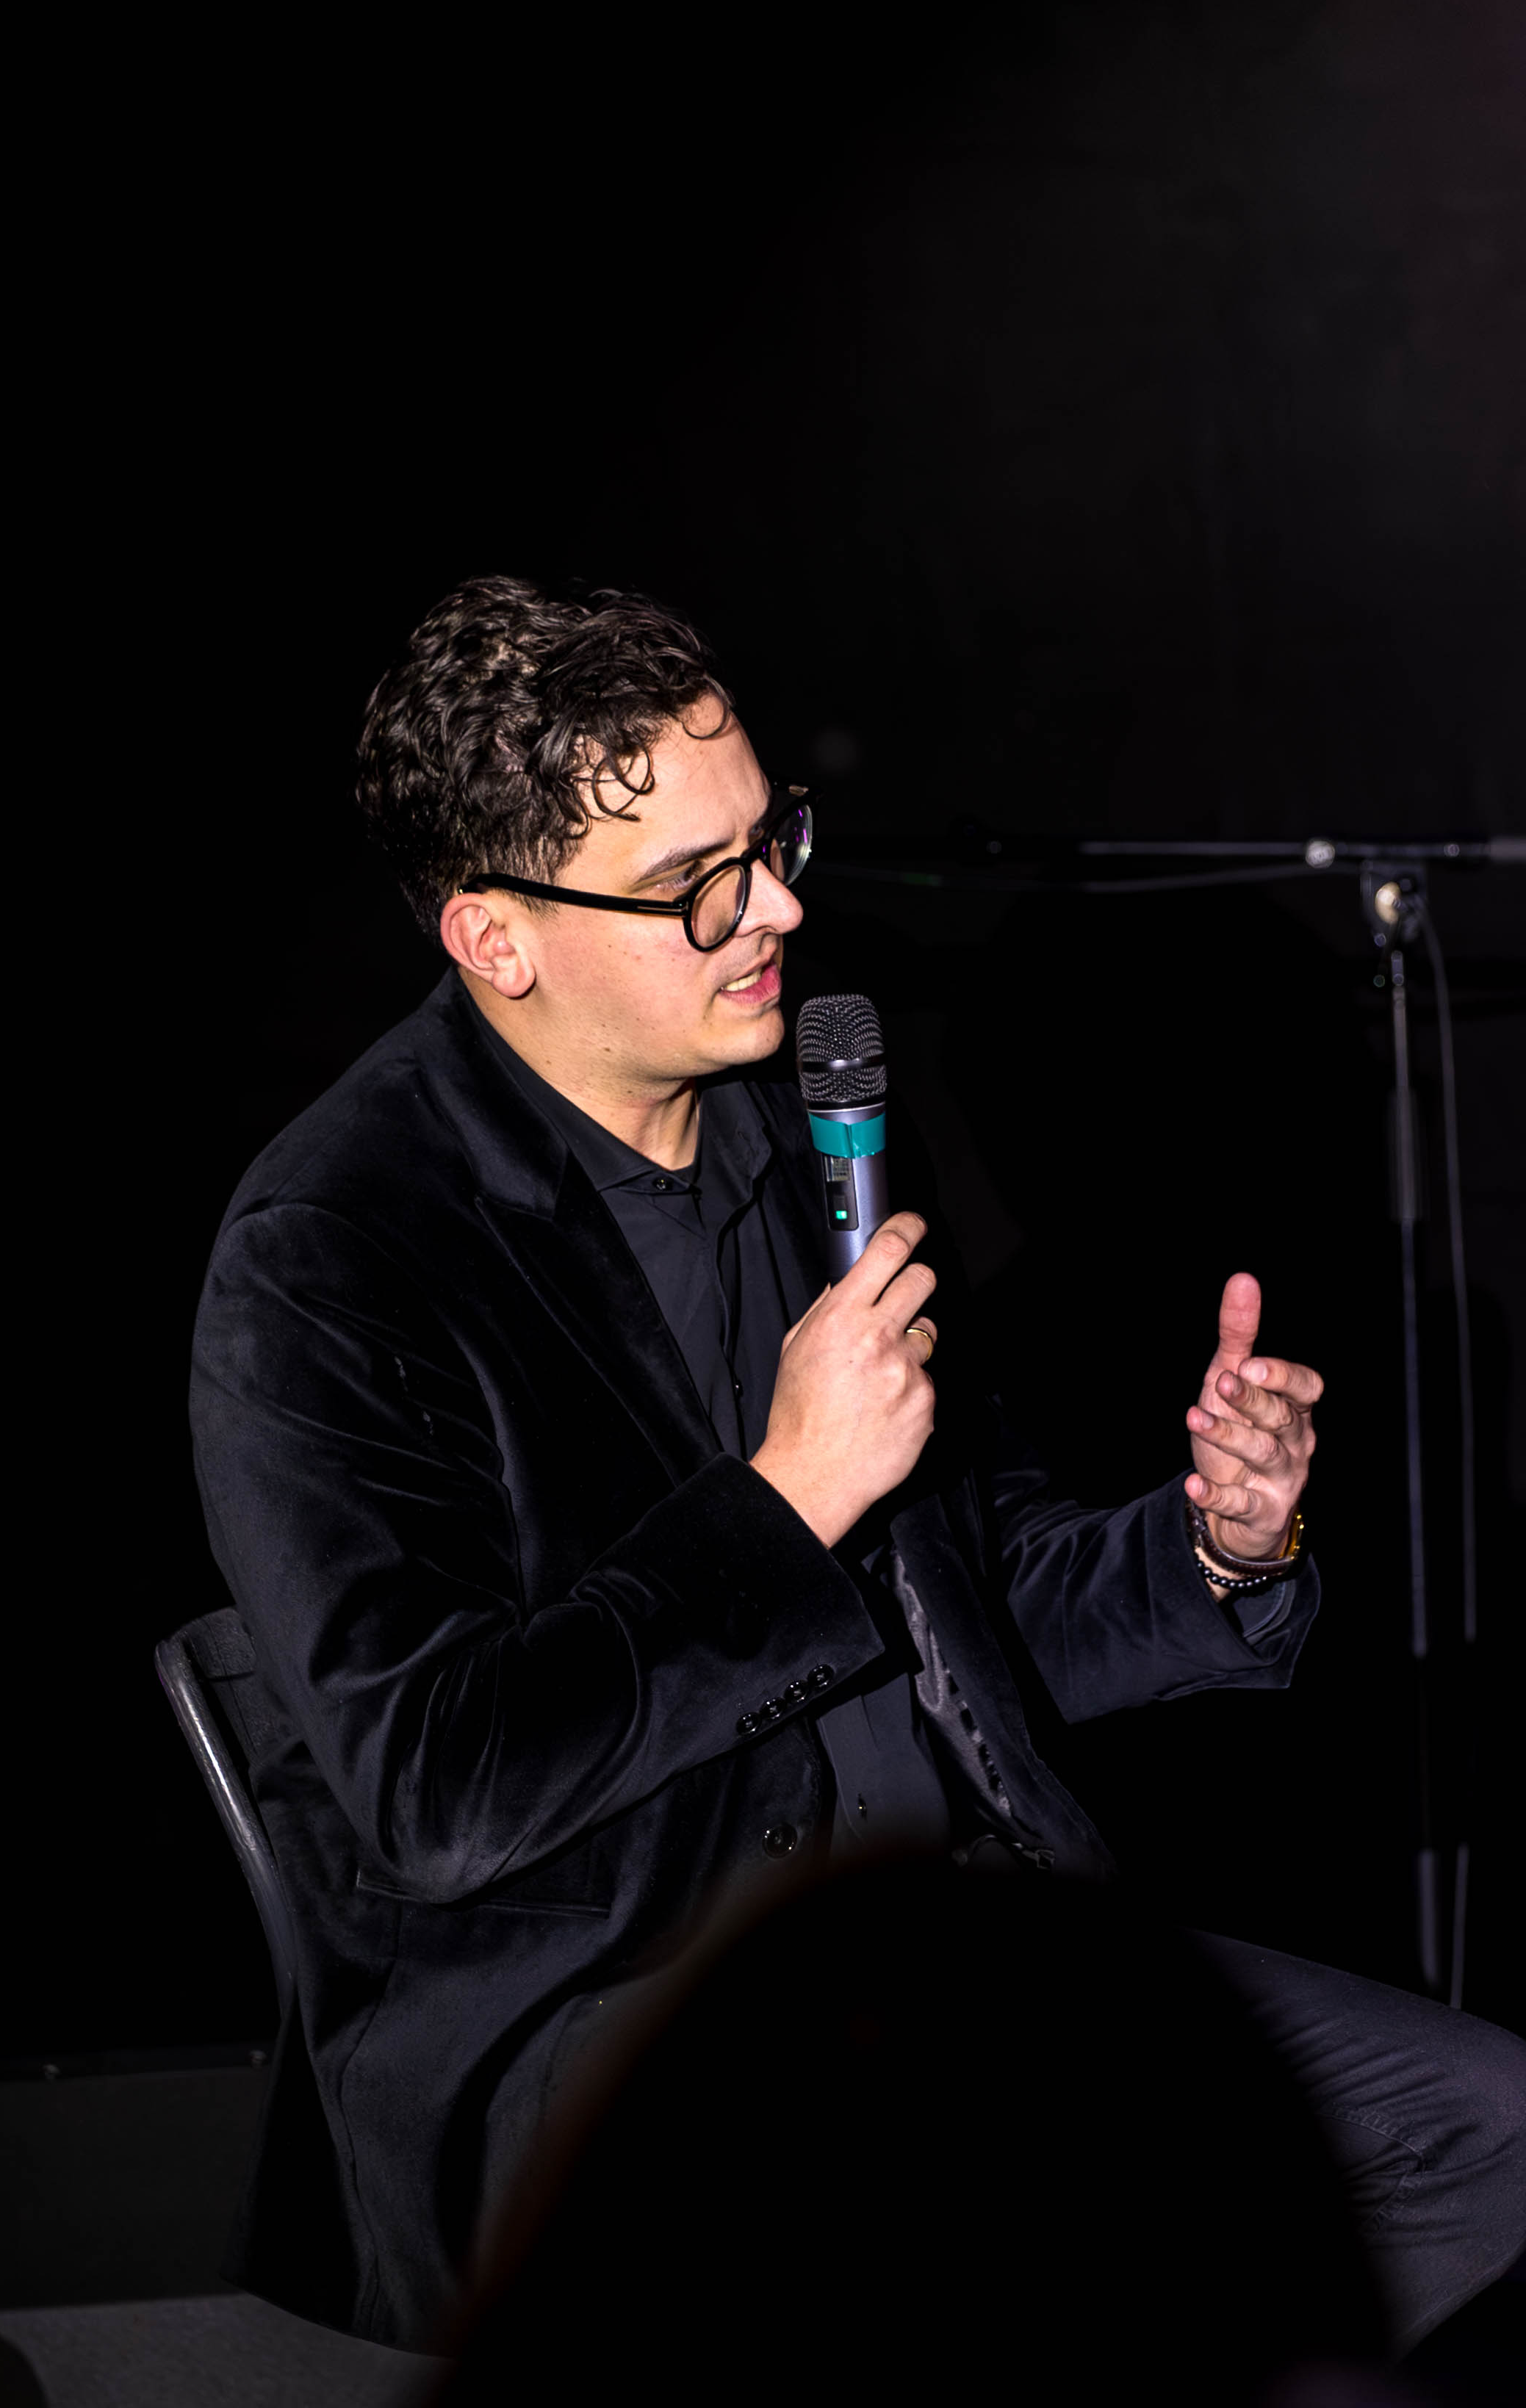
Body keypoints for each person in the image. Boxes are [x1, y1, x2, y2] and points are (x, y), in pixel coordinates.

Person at [188, 576, 1524, 2360]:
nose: (778, 911)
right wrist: (780, 1503)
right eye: (696, 884)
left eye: (773, 841)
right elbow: (436, 1785)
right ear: (494, 937)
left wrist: (1215, 1546)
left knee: (1484, 2135)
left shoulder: (806, 1142)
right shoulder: (336, 1253)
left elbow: (970, 1604)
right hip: (627, 2031)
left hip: (955, 1965)